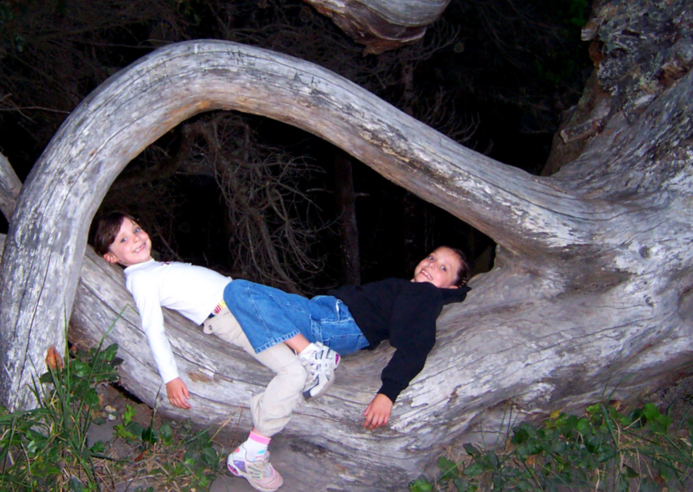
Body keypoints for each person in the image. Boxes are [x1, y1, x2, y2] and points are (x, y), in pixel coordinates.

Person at [93, 211, 338, 492]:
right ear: (111, 258)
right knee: (293, 367)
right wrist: (170, 377)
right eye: (123, 239)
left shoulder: (153, 269)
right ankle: (256, 448)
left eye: (135, 229)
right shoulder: (140, 279)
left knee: (295, 364)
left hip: (238, 308)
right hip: (230, 316)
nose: (136, 238)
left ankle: (313, 357)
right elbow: (153, 328)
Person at [224, 246, 470, 431]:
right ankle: (301, 358)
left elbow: (416, 345)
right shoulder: (415, 292)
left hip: (336, 322)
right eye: (432, 257)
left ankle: (313, 356)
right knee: (248, 303)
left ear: (451, 288)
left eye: (444, 268)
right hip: (332, 319)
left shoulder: (425, 294)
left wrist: (388, 393)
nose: (432, 264)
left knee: (238, 291)